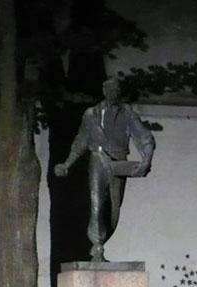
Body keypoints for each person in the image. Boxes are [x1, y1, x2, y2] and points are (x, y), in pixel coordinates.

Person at [53, 77, 155, 262]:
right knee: (97, 204)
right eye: (110, 89)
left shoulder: (127, 114)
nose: (114, 93)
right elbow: (81, 140)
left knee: (115, 208)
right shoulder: (91, 114)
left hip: (119, 162)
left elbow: (144, 137)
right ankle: (97, 247)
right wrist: (67, 164)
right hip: (98, 159)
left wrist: (146, 160)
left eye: (117, 90)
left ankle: (102, 242)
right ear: (104, 91)